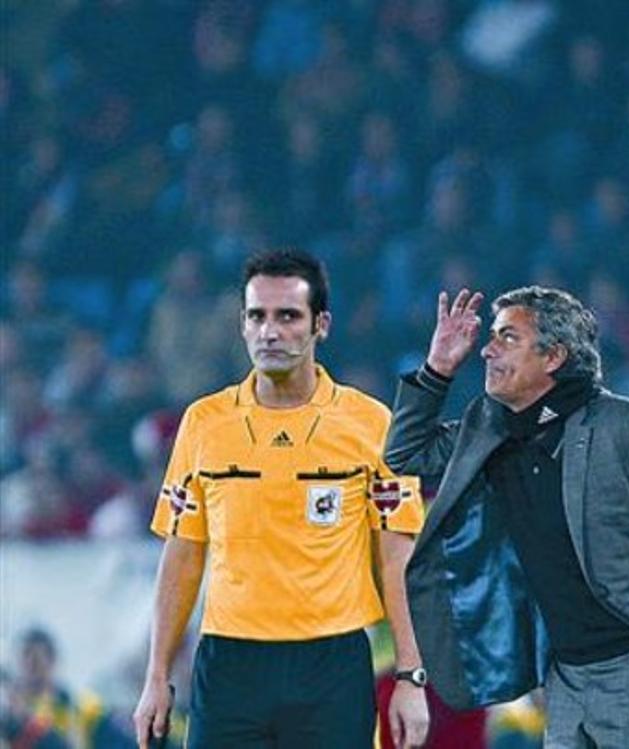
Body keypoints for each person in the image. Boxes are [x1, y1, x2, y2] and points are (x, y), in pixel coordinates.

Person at [384, 286, 629, 748]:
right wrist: (437, 369)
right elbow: (406, 454)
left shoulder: (627, 428)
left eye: (507, 338)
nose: (487, 349)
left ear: (552, 356)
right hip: (563, 678)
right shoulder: (489, 427)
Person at [131, 249, 429, 749]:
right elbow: (183, 554)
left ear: (322, 325)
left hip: (332, 667)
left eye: (288, 316)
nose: (269, 331)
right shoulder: (204, 423)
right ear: (242, 326)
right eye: (257, 316)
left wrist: (410, 677)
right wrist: (156, 676)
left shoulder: (372, 425)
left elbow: (396, 557)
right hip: (229, 665)